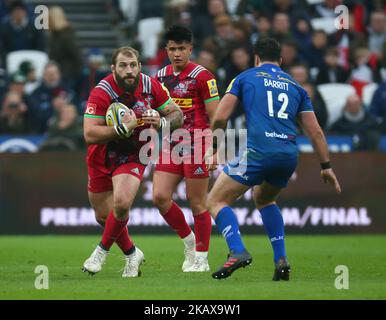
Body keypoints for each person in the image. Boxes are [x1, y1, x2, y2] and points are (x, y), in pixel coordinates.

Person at [205, 38, 341, 280]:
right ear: (281, 60)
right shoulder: (297, 87)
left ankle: (237, 251)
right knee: (264, 199)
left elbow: (220, 117)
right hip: (287, 155)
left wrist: (215, 147)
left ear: (256, 58)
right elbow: (316, 132)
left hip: (259, 151)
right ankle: (281, 259)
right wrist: (326, 166)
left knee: (216, 200)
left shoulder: (245, 77)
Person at [82, 47, 183, 277]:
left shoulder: (150, 86)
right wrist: (120, 129)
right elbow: (89, 134)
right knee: (103, 216)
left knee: (121, 203)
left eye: (133, 65)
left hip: (135, 152)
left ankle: (100, 252)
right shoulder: (102, 91)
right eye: (123, 66)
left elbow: (177, 114)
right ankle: (131, 253)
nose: (129, 71)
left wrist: (161, 121)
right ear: (113, 68)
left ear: (139, 66)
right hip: (102, 155)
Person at [153, 25, 220, 272]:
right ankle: (190, 242)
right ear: (166, 50)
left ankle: (201, 258)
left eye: (182, 48)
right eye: (172, 49)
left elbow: (217, 116)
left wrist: (214, 149)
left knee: (197, 202)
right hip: (171, 144)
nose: (177, 53)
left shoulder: (204, 77)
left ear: (190, 49)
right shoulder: (159, 77)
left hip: (199, 143)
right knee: (159, 197)